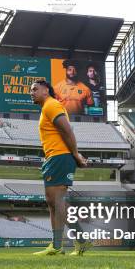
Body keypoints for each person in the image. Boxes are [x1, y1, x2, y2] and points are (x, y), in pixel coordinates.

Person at [29, 79, 91, 256]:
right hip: (54, 158)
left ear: (46, 91)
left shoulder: (52, 105)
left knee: (57, 201)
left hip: (60, 156)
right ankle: (76, 241)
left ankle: (60, 245)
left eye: (35, 89)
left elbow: (67, 130)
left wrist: (76, 154)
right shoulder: (47, 108)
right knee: (54, 202)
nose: (31, 92)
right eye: (30, 90)